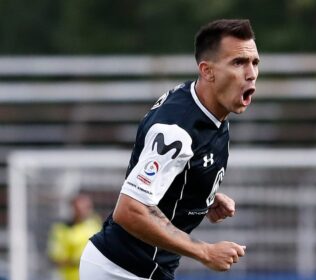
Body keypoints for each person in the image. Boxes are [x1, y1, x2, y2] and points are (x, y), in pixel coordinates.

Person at [80, 18, 260, 280]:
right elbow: (130, 209)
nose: (251, 73)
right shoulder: (176, 130)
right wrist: (205, 252)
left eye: (255, 62)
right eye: (238, 63)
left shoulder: (209, 106)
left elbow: (174, 170)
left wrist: (201, 196)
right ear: (207, 71)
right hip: (120, 271)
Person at [48, 194, 102, 280]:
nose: (82, 211)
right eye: (79, 208)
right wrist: (79, 262)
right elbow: (56, 259)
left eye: (86, 207)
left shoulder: (95, 226)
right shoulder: (62, 229)